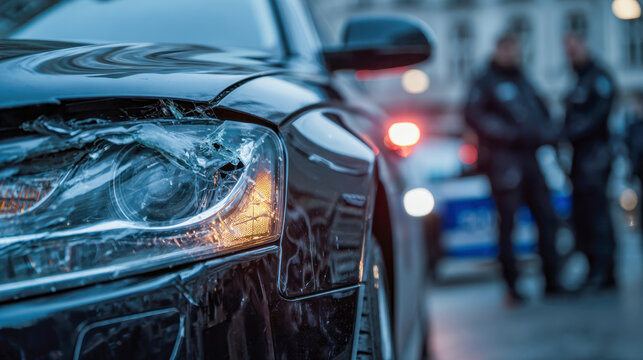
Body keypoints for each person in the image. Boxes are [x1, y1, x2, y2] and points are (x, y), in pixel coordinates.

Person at [465, 33, 562, 304]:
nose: (513, 55)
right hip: (504, 162)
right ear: (498, 50)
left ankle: (553, 279)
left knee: (546, 216)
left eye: (516, 50)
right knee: (508, 222)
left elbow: (541, 111)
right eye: (508, 50)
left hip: (531, 158)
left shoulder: (523, 79)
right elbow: (474, 115)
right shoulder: (485, 82)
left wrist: (545, 133)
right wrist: (509, 134)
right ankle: (512, 285)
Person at [562, 34, 617, 291]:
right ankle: (594, 266)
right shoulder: (579, 80)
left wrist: (568, 132)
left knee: (597, 214)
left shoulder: (598, 78)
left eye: (574, 49)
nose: (571, 55)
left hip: (595, 156)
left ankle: (604, 269)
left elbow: (597, 117)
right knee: (583, 214)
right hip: (581, 157)